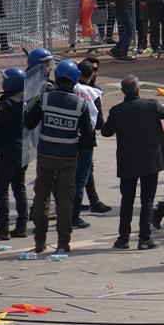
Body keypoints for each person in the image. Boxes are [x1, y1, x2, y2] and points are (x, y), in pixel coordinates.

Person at [24, 60, 94, 255]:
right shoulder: (81, 104)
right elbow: (88, 136)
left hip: (45, 155)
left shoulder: (45, 99)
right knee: (64, 201)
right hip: (68, 158)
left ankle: (39, 242)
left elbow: (29, 122)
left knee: (41, 198)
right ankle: (63, 243)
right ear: (74, 79)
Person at [100, 75, 164, 250]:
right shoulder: (150, 105)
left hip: (128, 160)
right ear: (137, 89)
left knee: (127, 199)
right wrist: (162, 106)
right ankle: (144, 238)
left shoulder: (117, 110)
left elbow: (105, 132)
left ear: (123, 91)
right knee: (147, 199)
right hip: (150, 160)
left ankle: (123, 238)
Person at [0, 67, 28, 241]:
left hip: (8, 150)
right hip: (21, 148)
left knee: (1, 190)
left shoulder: (9, 104)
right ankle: (22, 226)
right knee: (19, 187)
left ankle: (3, 228)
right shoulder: (25, 99)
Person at [71, 61, 104, 230]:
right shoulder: (93, 94)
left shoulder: (61, 91)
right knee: (80, 178)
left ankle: (93, 200)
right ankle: (73, 216)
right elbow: (98, 124)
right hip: (84, 142)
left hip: (64, 140)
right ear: (91, 74)